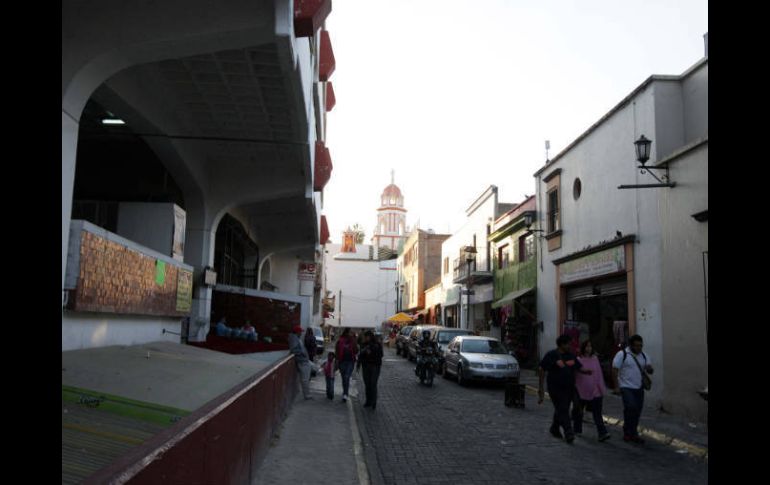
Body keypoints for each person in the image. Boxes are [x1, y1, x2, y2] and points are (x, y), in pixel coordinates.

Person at [538, 334, 583, 444]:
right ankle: (569, 432)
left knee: (565, 408)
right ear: (562, 344)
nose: (569, 346)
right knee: (563, 409)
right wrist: (541, 388)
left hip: (569, 387)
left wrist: (588, 371)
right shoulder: (551, 355)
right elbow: (542, 369)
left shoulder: (571, 355)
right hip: (555, 388)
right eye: (568, 344)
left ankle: (554, 428)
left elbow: (578, 367)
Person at [612, 334, 654, 444]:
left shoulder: (644, 355)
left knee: (637, 411)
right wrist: (617, 386)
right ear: (631, 345)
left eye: (641, 345)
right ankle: (627, 431)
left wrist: (650, 369)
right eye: (636, 345)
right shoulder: (622, 354)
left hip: (639, 387)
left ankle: (633, 433)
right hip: (626, 387)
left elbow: (650, 370)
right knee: (631, 407)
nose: (639, 348)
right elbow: (615, 370)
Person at [572, 340, 610, 441]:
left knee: (597, 413)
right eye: (587, 346)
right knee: (579, 411)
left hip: (595, 389)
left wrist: (601, 388)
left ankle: (602, 433)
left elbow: (599, 374)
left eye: (590, 346)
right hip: (581, 389)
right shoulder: (578, 360)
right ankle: (577, 429)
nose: (589, 348)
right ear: (583, 348)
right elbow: (575, 374)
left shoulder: (595, 359)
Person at [358, 331, 384, 409]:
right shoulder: (364, 344)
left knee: (373, 384)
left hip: (375, 366)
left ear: (371, 337)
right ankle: (368, 401)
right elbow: (360, 355)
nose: (366, 338)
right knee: (367, 384)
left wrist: (372, 351)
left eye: (367, 337)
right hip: (366, 366)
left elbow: (381, 354)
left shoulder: (377, 344)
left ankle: (373, 401)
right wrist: (358, 364)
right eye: (365, 337)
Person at [288, 325, 312, 400]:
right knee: (305, 379)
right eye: (300, 332)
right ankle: (307, 395)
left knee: (313, 370)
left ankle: (307, 394)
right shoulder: (294, 338)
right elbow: (293, 350)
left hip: (304, 360)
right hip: (301, 361)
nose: (301, 333)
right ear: (297, 332)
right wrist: (302, 353)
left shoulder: (296, 338)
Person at [335, 328, 358, 402]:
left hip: (350, 362)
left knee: (346, 377)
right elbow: (337, 351)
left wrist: (354, 342)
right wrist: (337, 360)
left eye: (352, 333)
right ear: (346, 333)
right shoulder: (340, 340)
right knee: (344, 378)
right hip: (342, 361)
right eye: (350, 332)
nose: (351, 334)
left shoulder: (353, 341)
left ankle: (345, 394)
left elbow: (356, 351)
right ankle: (345, 392)